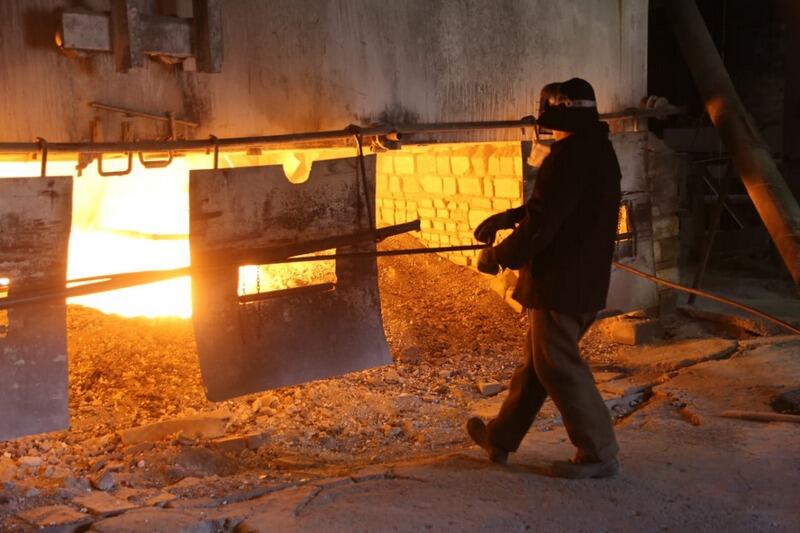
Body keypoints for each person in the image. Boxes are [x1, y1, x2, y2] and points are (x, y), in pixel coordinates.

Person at [466, 78, 622, 479]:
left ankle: (599, 453)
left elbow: (542, 226)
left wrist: (499, 257)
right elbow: (559, 205)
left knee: (557, 365)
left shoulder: (567, 157)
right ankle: (500, 437)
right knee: (538, 364)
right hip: (582, 278)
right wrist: (510, 217)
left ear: (555, 112)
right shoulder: (597, 150)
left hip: (561, 283)